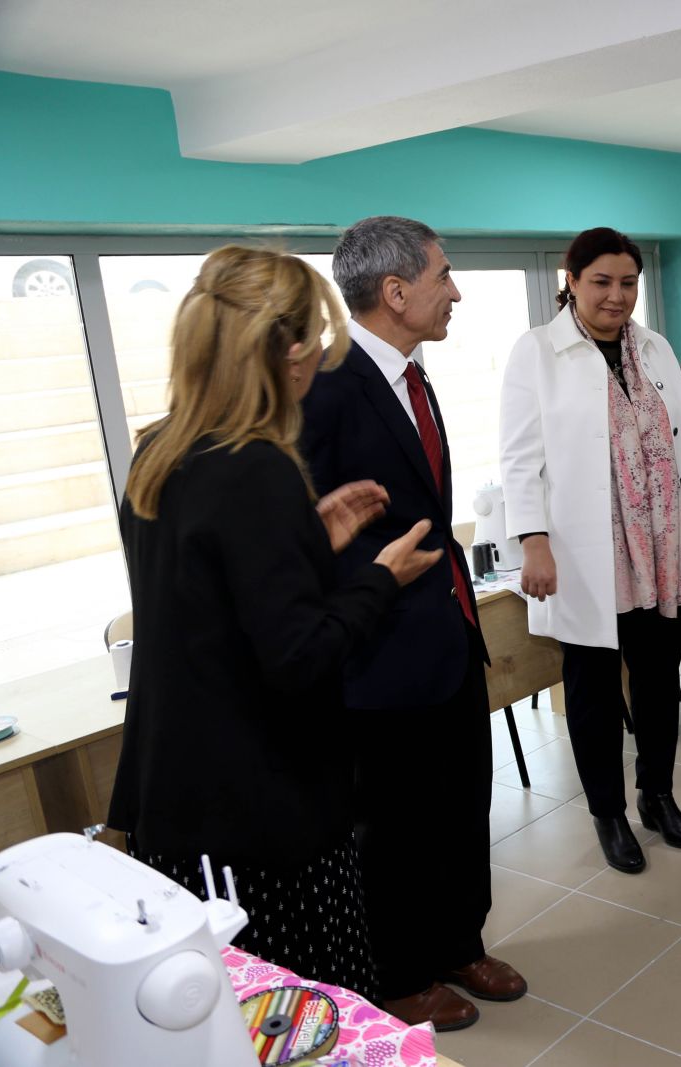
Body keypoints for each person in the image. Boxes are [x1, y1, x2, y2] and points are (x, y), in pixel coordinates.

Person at [109, 246, 442, 996]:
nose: (321, 357)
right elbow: (299, 656)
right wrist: (380, 579)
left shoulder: (161, 450)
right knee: (307, 1013)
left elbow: (209, 599)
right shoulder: (256, 466)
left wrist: (306, 543)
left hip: (180, 797)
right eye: (317, 340)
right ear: (287, 353)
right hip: (258, 813)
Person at [300, 216, 523, 1031]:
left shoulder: (413, 376)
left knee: (463, 804)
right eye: (443, 275)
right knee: (396, 826)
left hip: (448, 634)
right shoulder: (326, 388)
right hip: (379, 651)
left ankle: (459, 941)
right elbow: (305, 535)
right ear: (395, 291)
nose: (455, 291)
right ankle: (398, 973)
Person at [498, 228, 681, 874]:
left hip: (660, 549)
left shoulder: (654, 347)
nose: (616, 295)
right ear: (571, 281)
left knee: (659, 685)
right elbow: (519, 459)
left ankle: (658, 796)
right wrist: (533, 542)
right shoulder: (537, 351)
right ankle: (609, 813)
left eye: (628, 282)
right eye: (601, 281)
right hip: (586, 555)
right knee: (594, 692)